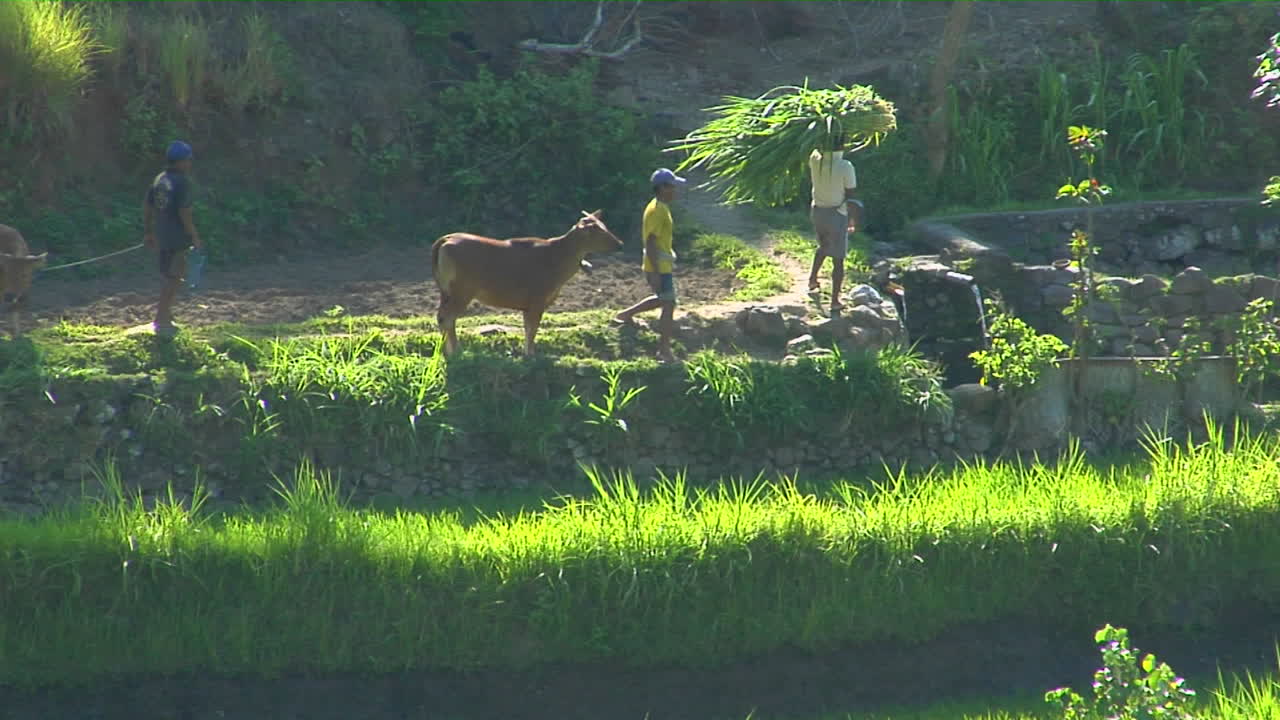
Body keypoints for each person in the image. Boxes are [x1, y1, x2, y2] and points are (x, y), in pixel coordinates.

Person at [612, 167, 685, 362]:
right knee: (668, 303)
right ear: (662, 188)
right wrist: (654, 272)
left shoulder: (661, 207)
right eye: (672, 187)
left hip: (661, 264)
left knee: (664, 300)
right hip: (658, 266)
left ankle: (626, 314)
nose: (675, 191)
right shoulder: (656, 211)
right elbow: (651, 242)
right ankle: (664, 351)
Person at [143, 140, 202, 337]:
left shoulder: (160, 179)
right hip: (177, 236)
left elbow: (148, 207)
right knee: (175, 276)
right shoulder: (182, 182)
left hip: (162, 234)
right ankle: (162, 317)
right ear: (181, 161)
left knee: (169, 275)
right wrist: (194, 235)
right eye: (188, 160)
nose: (189, 164)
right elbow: (184, 211)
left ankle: (166, 313)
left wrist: (149, 232)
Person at [807, 135, 862, 316]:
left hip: (817, 210)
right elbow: (851, 195)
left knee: (824, 245)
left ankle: (813, 279)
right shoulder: (845, 166)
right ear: (842, 144)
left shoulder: (815, 159)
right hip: (836, 214)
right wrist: (853, 219)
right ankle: (835, 301)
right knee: (838, 258)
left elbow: (816, 148)